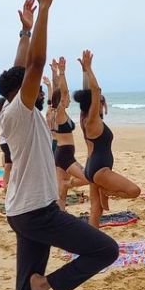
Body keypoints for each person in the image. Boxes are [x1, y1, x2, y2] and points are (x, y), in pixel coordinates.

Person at [0, 0, 119, 290]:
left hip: (23, 210)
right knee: (105, 249)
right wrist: (47, 10)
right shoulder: (18, 111)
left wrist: (25, 31)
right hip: (37, 212)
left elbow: (22, 67)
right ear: (22, 91)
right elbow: (32, 68)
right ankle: (51, 283)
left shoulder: (16, 110)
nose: (35, 83)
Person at [74, 50, 141, 227]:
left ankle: (92, 239)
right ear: (97, 104)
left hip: (92, 167)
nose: (102, 104)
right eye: (101, 102)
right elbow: (95, 90)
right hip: (99, 170)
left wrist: (84, 72)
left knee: (96, 209)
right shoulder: (93, 119)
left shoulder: (84, 119)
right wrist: (89, 69)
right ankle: (106, 191)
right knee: (134, 191)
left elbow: (88, 93)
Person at [50, 57, 89, 210]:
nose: (69, 101)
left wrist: (54, 76)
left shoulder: (57, 113)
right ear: (62, 100)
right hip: (65, 155)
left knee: (61, 192)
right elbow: (63, 92)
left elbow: (58, 92)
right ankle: (68, 184)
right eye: (66, 99)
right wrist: (62, 73)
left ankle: (60, 215)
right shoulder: (59, 113)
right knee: (88, 177)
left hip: (61, 153)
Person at [0, 97, 12, 193]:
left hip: (3, 142)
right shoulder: (4, 115)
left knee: (8, 162)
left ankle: (6, 184)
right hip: (6, 142)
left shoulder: (0, 115)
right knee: (9, 164)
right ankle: (5, 185)